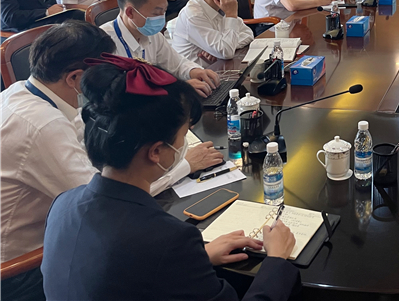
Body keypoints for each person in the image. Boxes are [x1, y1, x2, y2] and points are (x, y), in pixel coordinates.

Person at [42, 57, 301, 301]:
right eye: (183, 135)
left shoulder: (63, 204)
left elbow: (119, 273)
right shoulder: (169, 240)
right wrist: (276, 260)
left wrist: (198, 259)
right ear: (156, 151)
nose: (184, 144)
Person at [0, 23, 222, 301]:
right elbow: (109, 194)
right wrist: (183, 165)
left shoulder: (23, 92)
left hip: (61, 233)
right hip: (22, 271)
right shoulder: (42, 126)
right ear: (75, 77)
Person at [102, 0, 221, 99]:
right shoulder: (104, 43)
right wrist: (178, 89)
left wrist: (194, 71)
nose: (162, 20)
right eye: (156, 13)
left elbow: (177, 64)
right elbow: (116, 95)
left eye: (164, 12)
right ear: (130, 12)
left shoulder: (153, 35)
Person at [172, 0, 254, 62]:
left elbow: (248, 33)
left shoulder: (220, 5)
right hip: (198, 71)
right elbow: (226, 52)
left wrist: (227, 46)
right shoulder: (194, 15)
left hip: (218, 66)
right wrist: (231, 15)